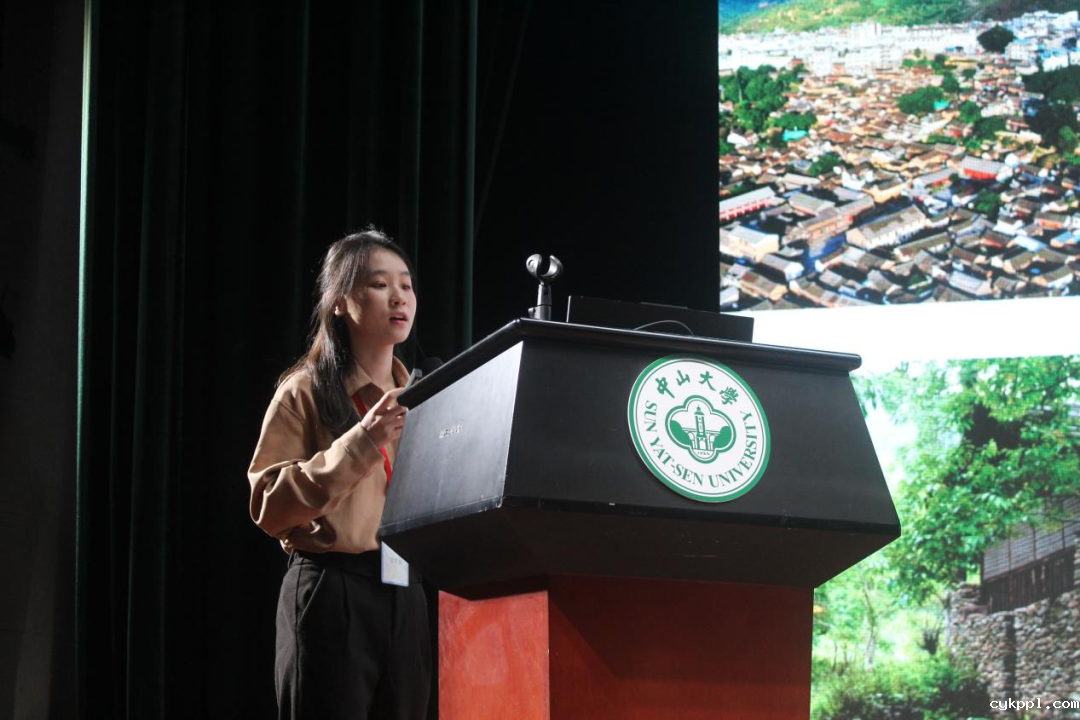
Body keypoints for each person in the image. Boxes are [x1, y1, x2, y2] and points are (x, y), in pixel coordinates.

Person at [247, 228, 431, 720]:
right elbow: (268, 504)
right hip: (332, 590)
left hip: (407, 596)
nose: (398, 297)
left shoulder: (424, 395)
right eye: (378, 284)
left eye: (407, 285)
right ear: (339, 304)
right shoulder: (304, 391)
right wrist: (362, 443)